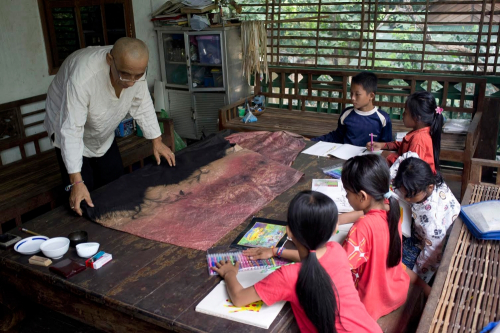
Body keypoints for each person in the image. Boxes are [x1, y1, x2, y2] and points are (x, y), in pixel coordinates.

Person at [213, 191, 382, 333]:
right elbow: (313, 258)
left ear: (288, 231)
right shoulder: (337, 250)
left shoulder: (288, 276)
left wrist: (229, 273)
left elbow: (239, 297)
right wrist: (275, 251)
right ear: (332, 229)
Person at [44, 38, 176, 216]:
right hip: (68, 126)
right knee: (84, 194)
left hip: (102, 130)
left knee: (115, 181)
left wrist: (157, 140)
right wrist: (76, 182)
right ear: (109, 60)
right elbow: (72, 129)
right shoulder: (83, 77)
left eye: (137, 76)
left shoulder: (134, 71)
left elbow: (142, 103)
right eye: (125, 74)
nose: (131, 82)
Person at [341, 154, 410, 320]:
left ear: (363, 196)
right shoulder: (391, 209)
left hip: (370, 305)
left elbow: (340, 267)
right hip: (396, 293)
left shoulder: (362, 227)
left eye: (347, 192)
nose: (346, 197)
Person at [392, 155, 460, 284]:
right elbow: (407, 156)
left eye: (411, 195)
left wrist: (417, 279)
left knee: (394, 266)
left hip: (438, 246)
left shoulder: (432, 220)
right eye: (404, 193)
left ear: (429, 187)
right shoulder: (426, 182)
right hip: (427, 234)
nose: (406, 199)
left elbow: (432, 256)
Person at [367, 91, 444, 173]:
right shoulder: (418, 133)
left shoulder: (419, 140)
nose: (403, 115)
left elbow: (410, 169)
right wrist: (383, 145)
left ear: (417, 118)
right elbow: (404, 144)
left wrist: (387, 156)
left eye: (406, 112)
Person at [311, 71, 393, 147]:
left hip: (369, 161)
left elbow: (387, 145)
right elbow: (337, 137)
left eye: (357, 94)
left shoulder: (383, 119)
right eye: (351, 93)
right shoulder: (346, 114)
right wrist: (312, 141)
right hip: (346, 159)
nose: (353, 98)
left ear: (371, 96)